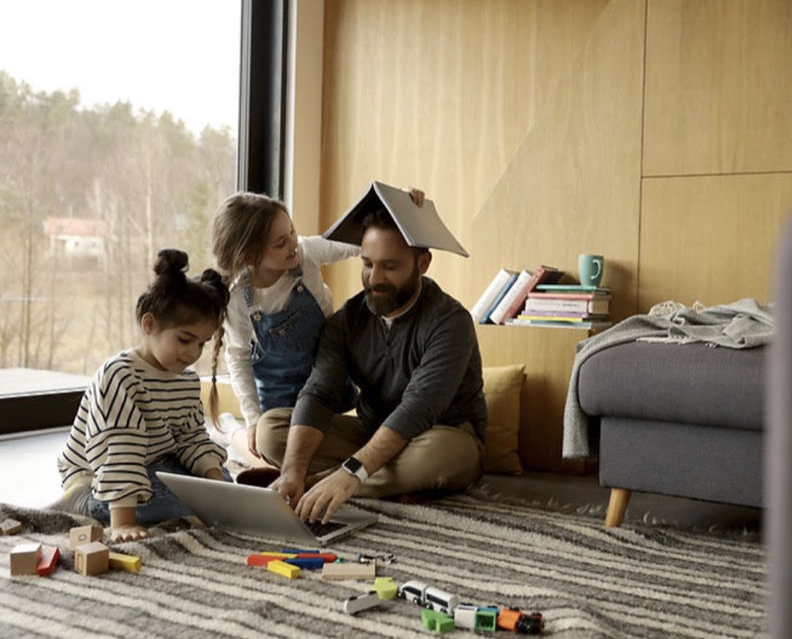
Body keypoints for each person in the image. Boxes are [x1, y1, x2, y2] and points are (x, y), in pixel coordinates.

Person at [252, 206, 487, 524]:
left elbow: (418, 408)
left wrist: (350, 472)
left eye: (389, 266)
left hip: (441, 436)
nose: (374, 278)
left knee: (440, 456)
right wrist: (293, 466)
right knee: (271, 430)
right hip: (370, 435)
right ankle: (315, 477)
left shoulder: (451, 322)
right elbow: (320, 393)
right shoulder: (347, 320)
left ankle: (320, 484)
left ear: (423, 263)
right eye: (367, 264)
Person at [210, 189, 423, 462]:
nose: (292, 244)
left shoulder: (306, 252)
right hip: (279, 398)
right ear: (250, 257)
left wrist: (400, 211)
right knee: (270, 446)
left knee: (321, 442)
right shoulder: (238, 296)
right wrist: (252, 419)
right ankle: (231, 430)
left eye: (292, 232)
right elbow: (238, 357)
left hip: (329, 379)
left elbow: (360, 242)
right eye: (280, 243)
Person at [54, 249, 231, 542]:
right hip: (97, 472)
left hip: (153, 461)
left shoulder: (185, 380)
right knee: (174, 497)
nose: (193, 353)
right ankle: (86, 503)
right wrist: (122, 524)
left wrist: (217, 485)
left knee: (223, 477)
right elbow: (119, 450)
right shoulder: (120, 375)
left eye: (202, 344)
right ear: (149, 325)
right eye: (185, 340)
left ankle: (202, 494)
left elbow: (192, 439)